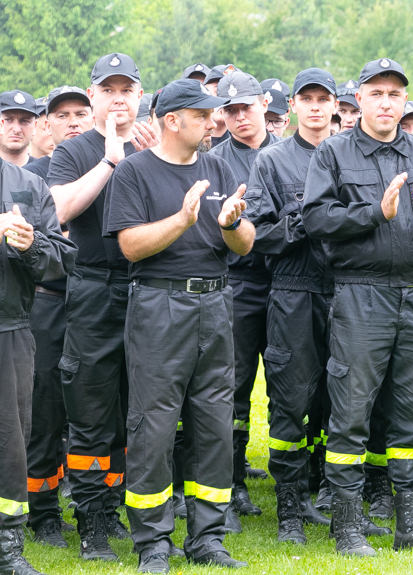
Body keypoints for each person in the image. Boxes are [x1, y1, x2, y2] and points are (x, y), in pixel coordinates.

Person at [303, 57, 413, 556]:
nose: (386, 102)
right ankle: (348, 525)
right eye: (376, 93)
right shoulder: (333, 153)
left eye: (395, 94)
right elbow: (314, 219)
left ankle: (412, 524)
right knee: (351, 410)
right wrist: (375, 213)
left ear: (403, 101)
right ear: (359, 100)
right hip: (360, 293)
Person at [104, 78, 252, 573]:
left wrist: (231, 223)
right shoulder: (134, 172)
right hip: (159, 306)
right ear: (173, 119)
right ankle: (152, 542)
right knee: (154, 423)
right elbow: (130, 246)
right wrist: (183, 221)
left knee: (213, 420)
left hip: (215, 305)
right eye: (204, 113)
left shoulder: (218, 165)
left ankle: (208, 537)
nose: (215, 121)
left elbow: (244, 245)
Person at [47, 52, 157, 561]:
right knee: (91, 407)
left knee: (139, 409)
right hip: (92, 287)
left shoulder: (157, 147)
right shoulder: (75, 150)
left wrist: (151, 158)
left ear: (140, 96)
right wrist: (111, 159)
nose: (118, 98)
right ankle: (92, 520)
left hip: (150, 288)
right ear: (91, 96)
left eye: (126, 89)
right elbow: (61, 211)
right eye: (107, 89)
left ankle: (122, 508)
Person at [244, 67, 341, 545]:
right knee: (290, 399)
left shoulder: (351, 155)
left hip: (346, 289)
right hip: (293, 289)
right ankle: (288, 509)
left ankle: (324, 493)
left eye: (325, 98)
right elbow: (255, 235)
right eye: (308, 98)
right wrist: (301, 223)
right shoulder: (272, 161)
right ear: (295, 106)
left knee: (336, 398)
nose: (317, 107)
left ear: (337, 105)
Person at [0, 144, 76, 575]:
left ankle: (7, 547)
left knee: (10, 443)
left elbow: (61, 260)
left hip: (10, 327)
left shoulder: (28, 185)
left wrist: (30, 247)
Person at [23, 85, 94, 550]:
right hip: (48, 300)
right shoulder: (31, 176)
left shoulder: (119, 167)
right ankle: (43, 511)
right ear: (45, 123)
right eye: (61, 114)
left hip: (100, 300)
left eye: (79, 113)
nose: (71, 121)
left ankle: (100, 504)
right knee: (44, 406)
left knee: (96, 408)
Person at [211, 70, 281, 522]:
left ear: (264, 107)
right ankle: (232, 482)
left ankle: (296, 484)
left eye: (247, 108)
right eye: (231, 111)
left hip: (288, 283)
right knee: (232, 388)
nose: (240, 117)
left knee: (291, 384)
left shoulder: (291, 155)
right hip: (238, 284)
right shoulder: (215, 161)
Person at [0, 90, 40, 167]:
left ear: (35, 126)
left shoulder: (46, 173)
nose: (17, 129)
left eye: (24, 121)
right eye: (8, 120)